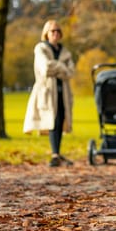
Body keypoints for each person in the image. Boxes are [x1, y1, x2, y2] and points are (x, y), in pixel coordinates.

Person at [23, 20, 75, 167]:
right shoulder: (40, 48)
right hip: (47, 91)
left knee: (60, 120)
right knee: (52, 121)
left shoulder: (65, 52)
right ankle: (54, 154)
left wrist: (57, 68)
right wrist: (61, 66)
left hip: (62, 92)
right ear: (46, 33)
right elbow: (45, 68)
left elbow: (71, 72)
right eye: (53, 31)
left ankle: (57, 153)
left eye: (58, 30)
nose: (56, 33)